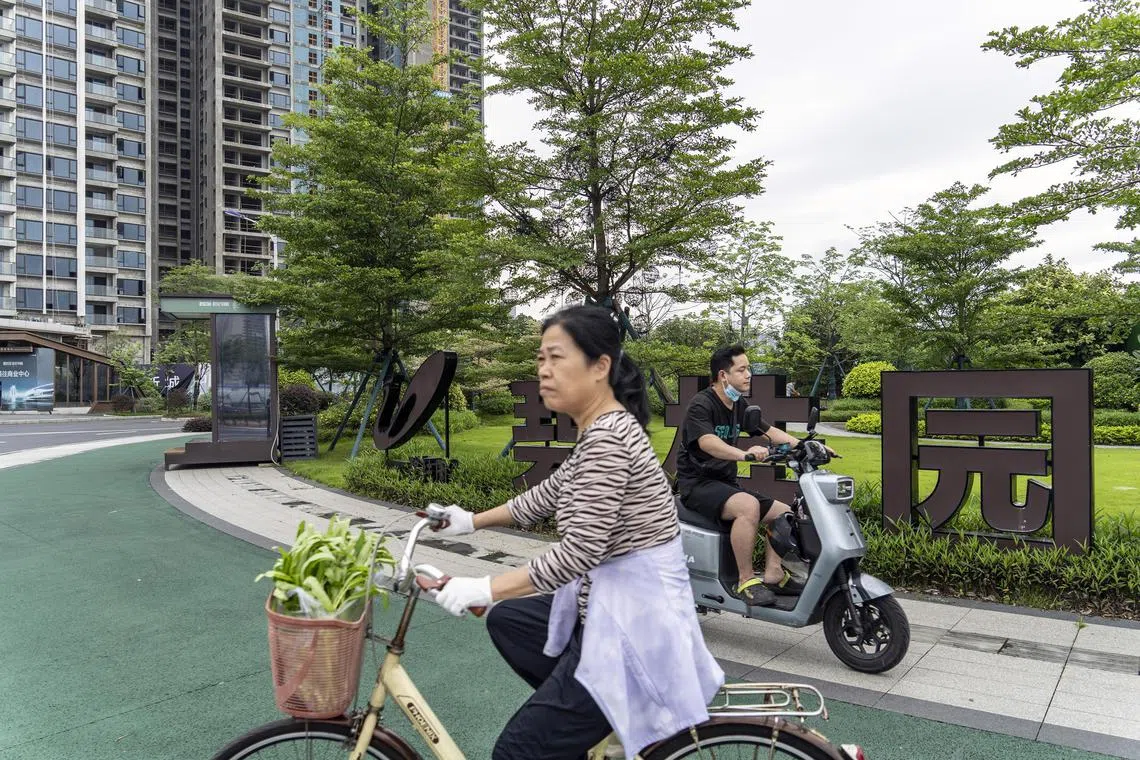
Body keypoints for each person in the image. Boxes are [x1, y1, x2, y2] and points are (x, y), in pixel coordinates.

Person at [428, 304, 724, 760]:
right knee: (510, 620)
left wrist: (484, 585)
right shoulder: (603, 431)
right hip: (613, 608)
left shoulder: (608, 440)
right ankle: (582, 718)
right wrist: (470, 520)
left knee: (517, 752)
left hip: (628, 629)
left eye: (556, 357)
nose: (543, 370)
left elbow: (578, 553)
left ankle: (594, 709)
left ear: (600, 366)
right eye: (541, 359)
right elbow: (545, 495)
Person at [676, 345, 816, 607]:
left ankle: (774, 573)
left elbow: (768, 431)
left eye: (748, 368)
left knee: (782, 513)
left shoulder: (738, 405)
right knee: (748, 506)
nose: (748, 374)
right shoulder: (702, 404)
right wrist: (743, 455)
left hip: (725, 484)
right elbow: (707, 442)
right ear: (723, 375)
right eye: (741, 369)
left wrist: (805, 445)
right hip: (698, 485)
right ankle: (746, 580)